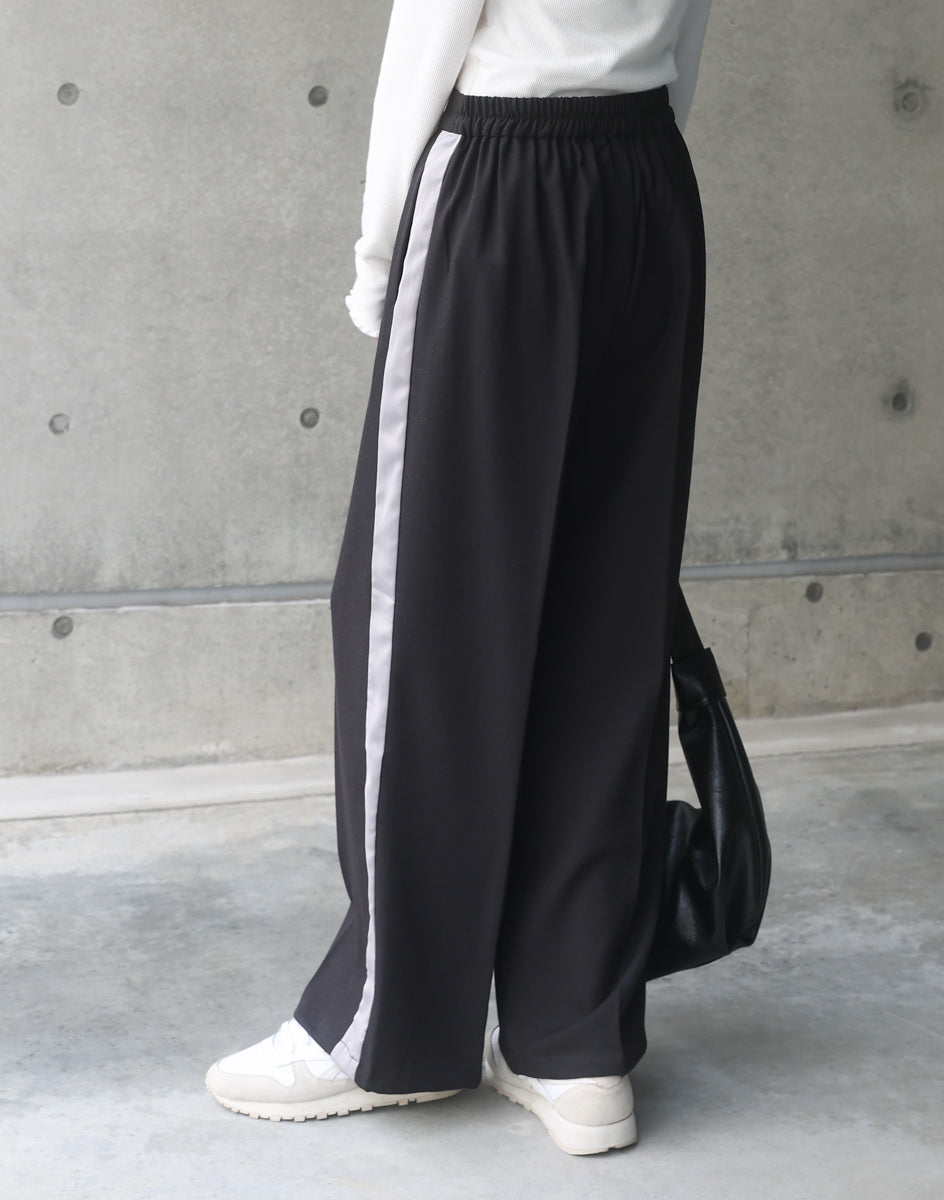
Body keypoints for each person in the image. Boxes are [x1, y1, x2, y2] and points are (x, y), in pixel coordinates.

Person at [206, 0, 713, 1156]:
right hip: (647, 180)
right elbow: (687, 33)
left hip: (501, 182)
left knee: (421, 620)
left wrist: (377, 255)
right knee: (606, 622)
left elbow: (432, 32)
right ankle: (574, 1041)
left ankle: (385, 1033)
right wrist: (636, 150)